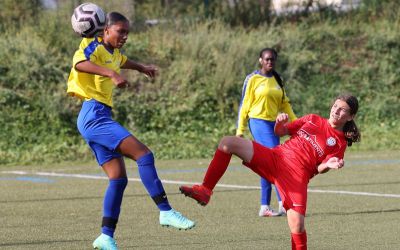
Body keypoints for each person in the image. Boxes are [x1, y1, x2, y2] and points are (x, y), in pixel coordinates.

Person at [66, 12, 195, 250]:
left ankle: (105, 237)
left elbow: (122, 60)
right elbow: (79, 64)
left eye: (127, 32)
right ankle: (165, 211)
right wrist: (112, 74)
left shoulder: (112, 53)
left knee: (118, 179)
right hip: (93, 115)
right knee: (144, 155)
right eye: (119, 31)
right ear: (105, 30)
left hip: (98, 116)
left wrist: (141, 67)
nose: (124, 36)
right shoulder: (91, 47)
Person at [180, 94, 361, 250]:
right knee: (228, 143)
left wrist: (328, 164)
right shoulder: (312, 119)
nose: (335, 110)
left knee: (297, 227)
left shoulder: (339, 143)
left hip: (295, 178)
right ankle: (205, 190)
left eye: (342, 110)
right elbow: (282, 132)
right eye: (335, 106)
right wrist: (279, 124)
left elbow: (319, 169)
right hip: (276, 158)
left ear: (350, 116)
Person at [236, 48, 297, 217]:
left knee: (267, 163)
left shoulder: (278, 79)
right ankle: (284, 204)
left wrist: (297, 123)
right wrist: (239, 129)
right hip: (257, 121)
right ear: (260, 60)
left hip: (273, 124)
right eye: (267, 59)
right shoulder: (252, 79)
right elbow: (244, 105)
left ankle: (265, 206)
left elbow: (285, 104)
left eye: (273, 60)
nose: (270, 62)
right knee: (276, 160)